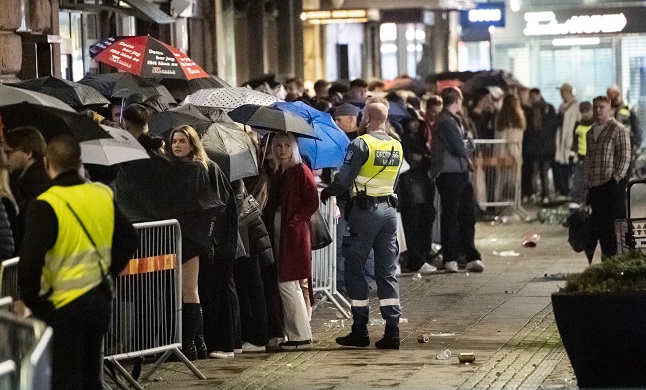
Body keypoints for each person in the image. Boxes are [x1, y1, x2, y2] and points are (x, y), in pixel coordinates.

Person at [18, 135, 138, 390]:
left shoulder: (47, 203)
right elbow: (129, 238)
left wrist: (36, 303)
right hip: (98, 299)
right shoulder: (102, 194)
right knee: (91, 376)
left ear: (48, 163)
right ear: (80, 162)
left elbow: (30, 263)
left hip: (63, 305)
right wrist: (108, 272)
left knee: (65, 378)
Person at [321, 101, 404, 350]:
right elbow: (395, 179)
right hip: (389, 212)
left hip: (365, 212)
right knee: (386, 271)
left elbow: (344, 179)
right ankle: (392, 331)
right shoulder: (396, 145)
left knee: (355, 267)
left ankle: (360, 330)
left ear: (366, 118)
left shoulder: (360, 144)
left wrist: (328, 192)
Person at [265, 131, 319, 350]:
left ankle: (300, 336)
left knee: (289, 283)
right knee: (289, 283)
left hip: (293, 233)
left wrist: (295, 220)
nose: (282, 150)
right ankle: (296, 333)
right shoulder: (283, 171)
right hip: (286, 231)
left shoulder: (299, 170)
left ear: (294, 148)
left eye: (286, 145)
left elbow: (312, 200)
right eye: (278, 146)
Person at [429, 87, 484, 274]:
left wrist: (466, 143)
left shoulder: (451, 120)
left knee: (465, 214)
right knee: (453, 215)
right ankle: (453, 257)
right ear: (458, 100)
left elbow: (464, 143)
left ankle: (466, 255)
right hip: (450, 173)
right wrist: (468, 144)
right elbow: (459, 146)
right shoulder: (446, 121)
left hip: (457, 172)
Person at [584, 96, 631, 259]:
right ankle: (606, 256)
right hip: (595, 185)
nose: (598, 111)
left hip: (610, 184)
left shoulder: (617, 129)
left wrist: (616, 179)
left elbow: (625, 156)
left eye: (601, 107)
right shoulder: (590, 133)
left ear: (609, 107)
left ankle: (619, 257)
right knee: (600, 226)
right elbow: (588, 159)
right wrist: (587, 184)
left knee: (615, 225)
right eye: (595, 107)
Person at [4, 126, 50, 252]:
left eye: (8, 152)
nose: (5, 158)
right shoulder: (45, 175)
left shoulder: (32, 183)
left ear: (28, 153)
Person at [522, 88, 558, 204]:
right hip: (538, 146)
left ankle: (544, 193)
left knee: (542, 171)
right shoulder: (533, 109)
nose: (531, 99)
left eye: (532, 96)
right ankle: (539, 193)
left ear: (538, 95)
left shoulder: (547, 108)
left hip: (542, 146)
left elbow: (552, 125)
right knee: (536, 170)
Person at [494, 94, 527, 203]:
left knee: (502, 181)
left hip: (500, 154)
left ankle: (501, 204)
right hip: (515, 154)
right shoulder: (519, 119)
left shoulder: (500, 119)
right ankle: (513, 204)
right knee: (514, 181)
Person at [554, 83, 579, 199]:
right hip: (561, 140)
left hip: (570, 141)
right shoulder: (561, 107)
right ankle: (565, 190)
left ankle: (572, 190)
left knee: (571, 167)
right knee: (563, 167)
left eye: (563, 93)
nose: (561, 95)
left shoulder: (576, 107)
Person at [569, 101, 593, 210]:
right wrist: (572, 153)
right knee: (577, 184)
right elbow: (575, 141)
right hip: (580, 159)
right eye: (583, 112)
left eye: (587, 111)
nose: (585, 114)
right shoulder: (578, 125)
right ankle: (575, 213)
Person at [607, 85, 642, 156]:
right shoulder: (606, 111)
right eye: (613, 97)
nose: (615, 99)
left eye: (616, 95)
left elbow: (636, 128)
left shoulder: (628, 109)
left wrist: (637, 145)